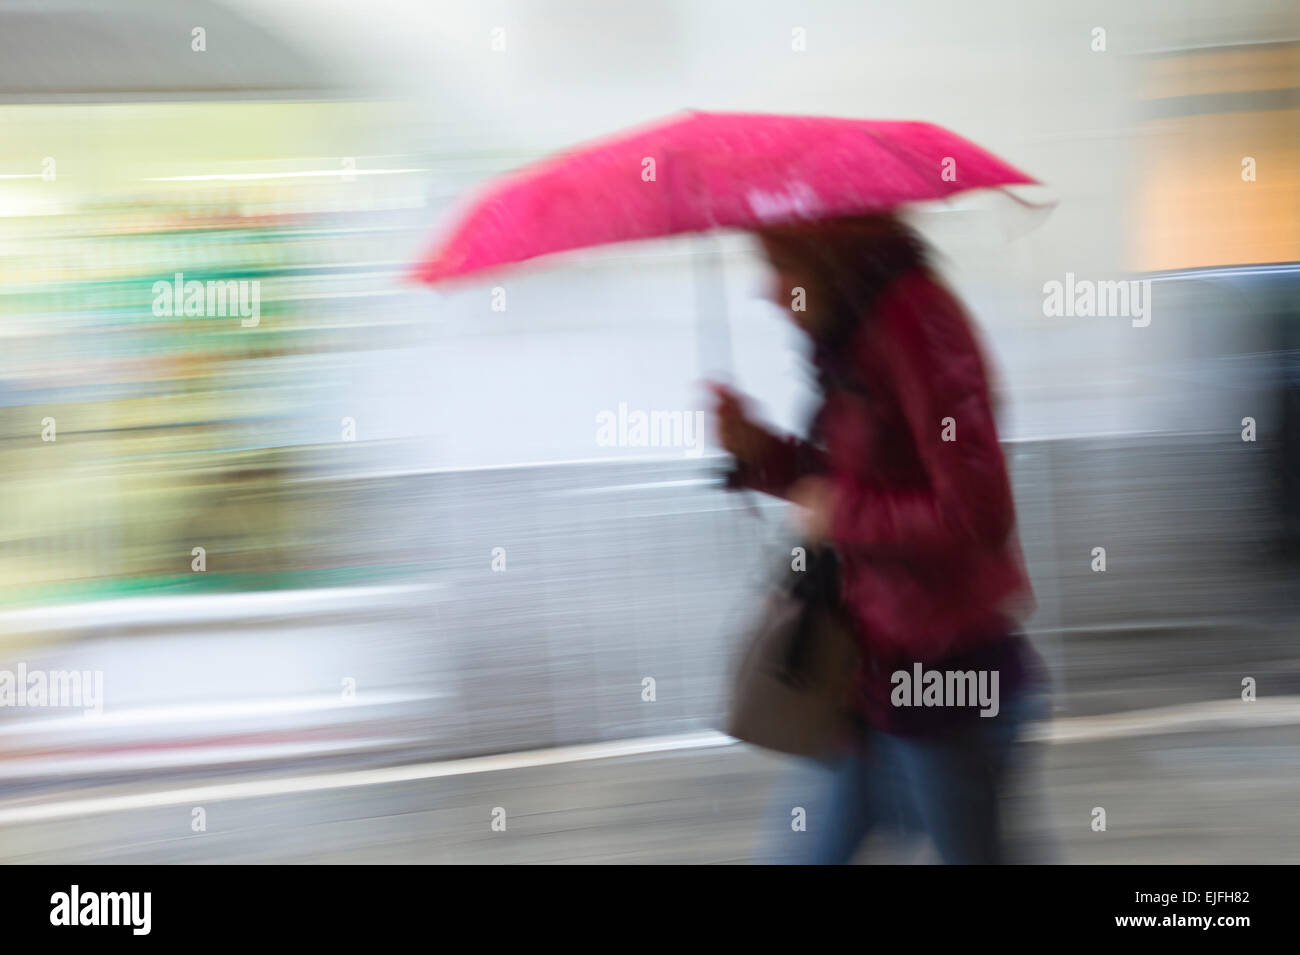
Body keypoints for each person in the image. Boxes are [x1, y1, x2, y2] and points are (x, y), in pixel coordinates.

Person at [711, 214, 1046, 864]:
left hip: (942, 681)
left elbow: (978, 510)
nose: (767, 288)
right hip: (865, 674)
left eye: (780, 264)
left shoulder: (919, 324)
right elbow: (841, 480)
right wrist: (758, 451)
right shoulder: (849, 341)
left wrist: (843, 515)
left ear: (828, 257)